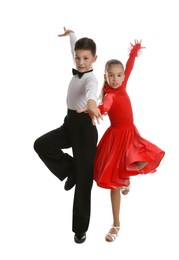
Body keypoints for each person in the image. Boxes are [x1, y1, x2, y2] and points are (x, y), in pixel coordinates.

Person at [80, 40, 165, 242]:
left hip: (130, 134)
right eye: (111, 75)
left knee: (145, 159)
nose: (115, 79)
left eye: (119, 75)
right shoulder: (108, 94)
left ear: (123, 76)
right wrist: (94, 109)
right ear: (105, 76)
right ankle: (116, 224)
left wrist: (134, 53)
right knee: (114, 184)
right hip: (116, 139)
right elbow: (106, 108)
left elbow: (130, 67)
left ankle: (127, 179)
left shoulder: (123, 84)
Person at [33, 27, 102, 244]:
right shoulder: (77, 61)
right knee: (41, 145)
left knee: (84, 182)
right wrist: (71, 34)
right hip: (70, 123)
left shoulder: (91, 80)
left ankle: (80, 229)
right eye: (78, 57)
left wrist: (92, 104)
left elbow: (92, 95)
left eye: (86, 58)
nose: (81, 62)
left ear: (94, 59)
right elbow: (74, 46)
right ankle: (70, 170)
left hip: (84, 129)